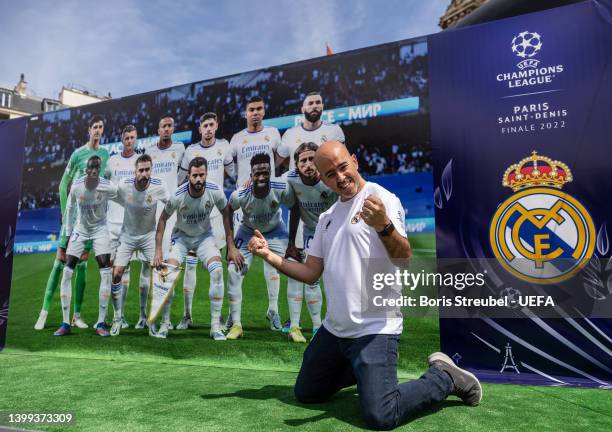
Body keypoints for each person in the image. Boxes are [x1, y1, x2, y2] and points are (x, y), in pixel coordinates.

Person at [248, 141, 482, 430]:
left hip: (374, 328)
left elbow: (404, 260)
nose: (340, 177)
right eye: (331, 174)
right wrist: (268, 255)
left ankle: (444, 377)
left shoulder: (382, 199)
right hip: (335, 330)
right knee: (307, 393)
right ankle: (363, 372)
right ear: (322, 179)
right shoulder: (327, 218)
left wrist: (383, 225)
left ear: (355, 161)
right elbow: (311, 273)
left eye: (343, 167)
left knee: (381, 415)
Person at [35, 115, 109, 331]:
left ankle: (76, 315)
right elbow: (62, 185)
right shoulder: (78, 154)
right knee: (59, 263)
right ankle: (44, 312)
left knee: (82, 266)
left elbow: (103, 185)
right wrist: (64, 213)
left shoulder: (104, 155)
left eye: (100, 127)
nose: (97, 130)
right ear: (89, 130)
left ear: (103, 130)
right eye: (94, 127)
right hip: (71, 222)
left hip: (90, 223)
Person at [153, 157, 228, 340]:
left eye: (202, 175)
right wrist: (158, 250)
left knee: (217, 271)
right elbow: (163, 218)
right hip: (182, 239)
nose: (198, 179)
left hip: (204, 238)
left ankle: (215, 326)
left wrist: (231, 246)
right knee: (167, 274)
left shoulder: (214, 190)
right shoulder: (178, 195)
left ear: (206, 174)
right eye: (195, 175)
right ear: (188, 176)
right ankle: (164, 324)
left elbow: (226, 212)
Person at [223, 153, 296, 339]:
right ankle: (235, 322)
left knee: (286, 269)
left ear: (270, 171)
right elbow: (228, 210)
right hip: (247, 232)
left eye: (265, 172)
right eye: (257, 173)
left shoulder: (281, 188)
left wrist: (292, 242)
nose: (262, 177)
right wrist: (230, 245)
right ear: (251, 174)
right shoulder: (241, 194)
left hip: (275, 232)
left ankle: (274, 311)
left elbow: (294, 208)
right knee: (233, 271)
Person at [229, 96, 284, 330]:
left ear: (264, 111)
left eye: (259, 109)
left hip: (268, 207)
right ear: (245, 113)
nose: (255, 113)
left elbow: (280, 161)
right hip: (245, 210)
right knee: (240, 266)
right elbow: (229, 165)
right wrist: (242, 183)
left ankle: (273, 311)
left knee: (273, 265)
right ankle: (234, 317)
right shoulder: (237, 139)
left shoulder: (273, 134)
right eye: (251, 109)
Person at [176, 112, 234, 330]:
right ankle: (187, 315)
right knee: (190, 267)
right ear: (200, 129)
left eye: (211, 124)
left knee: (217, 267)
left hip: (217, 217)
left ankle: (218, 318)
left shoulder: (224, 147)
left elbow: (235, 173)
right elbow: (181, 180)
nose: (208, 128)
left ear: (216, 126)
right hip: (192, 217)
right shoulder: (191, 151)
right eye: (205, 126)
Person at [53, 156, 118, 337]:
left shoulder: (107, 185)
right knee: (67, 272)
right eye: (91, 170)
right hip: (80, 229)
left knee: (106, 272)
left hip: (100, 229)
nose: (94, 173)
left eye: (97, 170)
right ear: (86, 171)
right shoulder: (77, 186)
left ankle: (100, 323)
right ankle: (66, 323)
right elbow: (70, 209)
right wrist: (67, 234)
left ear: (99, 171)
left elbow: (120, 197)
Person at [109, 154, 168, 336]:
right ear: (135, 171)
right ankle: (117, 318)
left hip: (149, 236)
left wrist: (161, 244)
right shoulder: (124, 185)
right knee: (117, 273)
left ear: (151, 170)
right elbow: (111, 196)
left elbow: (171, 206)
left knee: (160, 274)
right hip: (127, 235)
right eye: (141, 170)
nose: (144, 173)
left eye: (147, 169)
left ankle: (152, 321)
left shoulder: (159, 186)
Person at [284, 142, 337, 342]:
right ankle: (315, 327)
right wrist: (290, 241)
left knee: (336, 277)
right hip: (310, 234)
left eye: (311, 159)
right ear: (296, 165)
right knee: (310, 279)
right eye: (303, 161)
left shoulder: (330, 179)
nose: (308, 164)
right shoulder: (291, 179)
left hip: (335, 231)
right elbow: (294, 208)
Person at [146, 114, 185, 331]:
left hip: (171, 216)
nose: (167, 129)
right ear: (158, 129)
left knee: (167, 266)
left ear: (173, 128)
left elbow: (183, 177)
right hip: (152, 215)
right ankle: (148, 316)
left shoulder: (180, 149)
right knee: (152, 266)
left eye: (170, 126)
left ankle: (166, 318)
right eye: (163, 126)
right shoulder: (150, 152)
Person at [106, 125, 144, 329]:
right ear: (121, 139)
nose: (129, 141)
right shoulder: (112, 161)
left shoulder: (140, 162)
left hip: (131, 224)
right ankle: (115, 315)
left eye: (132, 137)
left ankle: (121, 315)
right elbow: (103, 187)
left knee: (127, 270)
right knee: (115, 271)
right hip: (112, 223)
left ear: (136, 139)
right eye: (126, 137)